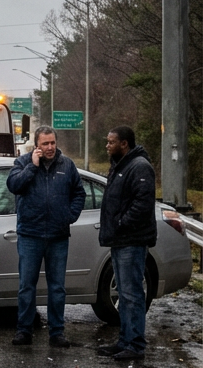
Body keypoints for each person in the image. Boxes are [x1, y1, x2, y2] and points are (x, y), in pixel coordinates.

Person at [6, 125, 86, 348]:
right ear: (36, 145)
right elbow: (14, 185)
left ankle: (57, 332)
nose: (50, 147)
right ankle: (24, 331)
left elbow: (79, 193)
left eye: (53, 143)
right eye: (45, 144)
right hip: (30, 234)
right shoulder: (22, 163)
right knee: (27, 286)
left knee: (57, 287)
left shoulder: (66, 165)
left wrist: (69, 216)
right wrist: (32, 166)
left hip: (58, 236)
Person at [96, 126, 157, 361]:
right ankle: (124, 340)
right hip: (120, 239)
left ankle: (136, 345)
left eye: (111, 142)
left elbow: (143, 204)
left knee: (132, 295)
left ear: (124, 144)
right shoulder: (121, 165)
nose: (107, 145)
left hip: (132, 240)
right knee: (123, 293)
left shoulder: (139, 166)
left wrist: (121, 223)